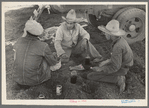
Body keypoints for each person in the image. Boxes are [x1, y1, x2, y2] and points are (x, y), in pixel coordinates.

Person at [81, 20, 133, 94]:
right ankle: (118, 75)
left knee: (91, 76)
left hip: (122, 68)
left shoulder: (118, 47)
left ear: (111, 34)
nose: (104, 34)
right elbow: (117, 58)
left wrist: (101, 69)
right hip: (121, 64)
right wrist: (107, 61)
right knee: (100, 65)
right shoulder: (119, 40)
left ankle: (118, 78)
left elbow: (115, 67)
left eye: (106, 33)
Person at [13, 20, 61, 88]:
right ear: (38, 34)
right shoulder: (43, 46)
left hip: (17, 79)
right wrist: (55, 57)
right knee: (49, 61)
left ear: (26, 31)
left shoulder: (19, 41)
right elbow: (53, 63)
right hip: (34, 81)